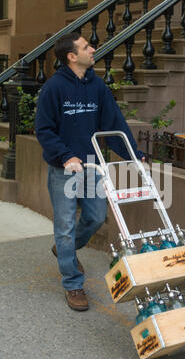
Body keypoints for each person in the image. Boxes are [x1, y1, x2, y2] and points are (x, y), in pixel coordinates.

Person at [35, 32, 144, 312]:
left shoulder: (97, 86)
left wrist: (134, 155)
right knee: (65, 226)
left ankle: (65, 251)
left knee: (95, 218)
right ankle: (73, 283)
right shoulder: (54, 88)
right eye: (86, 47)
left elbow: (114, 123)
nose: (92, 49)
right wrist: (65, 155)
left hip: (92, 167)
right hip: (65, 169)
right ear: (72, 56)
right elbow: (44, 129)